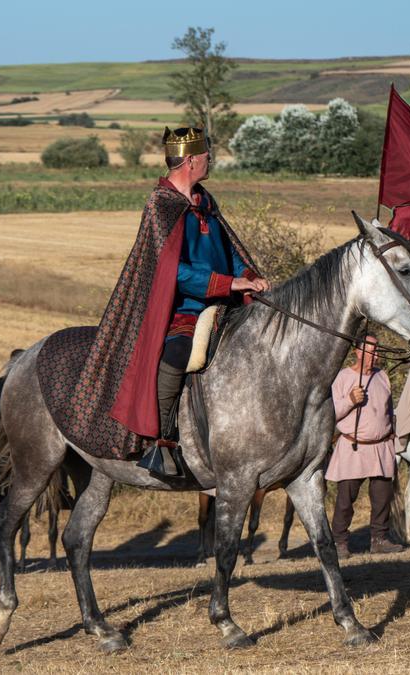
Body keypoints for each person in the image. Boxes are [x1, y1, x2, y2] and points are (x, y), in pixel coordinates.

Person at [129, 127, 269, 475]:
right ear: (190, 160)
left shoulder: (204, 202)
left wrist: (248, 276)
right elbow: (170, 271)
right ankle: (160, 442)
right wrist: (228, 282)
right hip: (180, 309)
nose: (211, 160)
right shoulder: (161, 206)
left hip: (222, 303)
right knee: (177, 352)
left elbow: (228, 249)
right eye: (206, 155)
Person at [327, 336, 403, 558]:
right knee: (345, 501)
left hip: (381, 447)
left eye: (376, 351)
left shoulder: (382, 376)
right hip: (354, 446)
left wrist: (392, 435)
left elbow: (388, 411)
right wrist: (350, 400)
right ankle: (339, 542)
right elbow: (330, 413)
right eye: (370, 351)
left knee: (382, 499)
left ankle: (379, 540)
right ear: (357, 352)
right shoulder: (342, 377)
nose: (375, 355)